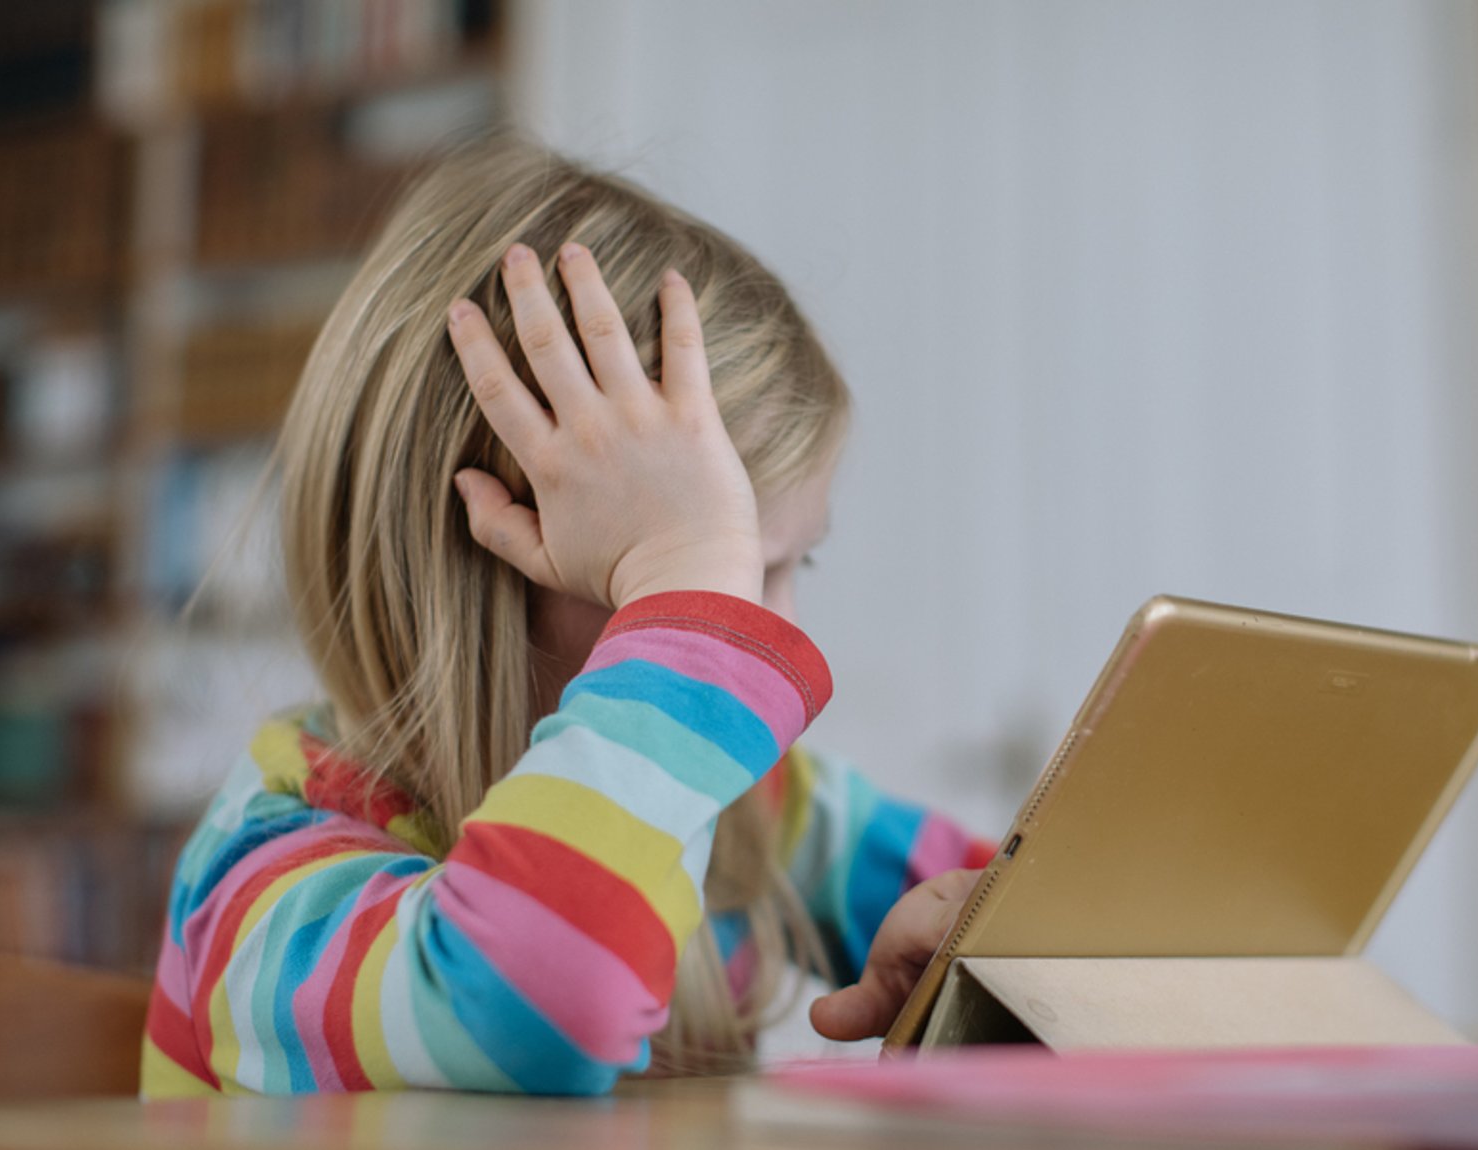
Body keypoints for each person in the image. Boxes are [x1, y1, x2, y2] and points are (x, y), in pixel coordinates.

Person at [140, 138, 996, 1098]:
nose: (766, 640)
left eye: (793, 565)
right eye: (723, 577)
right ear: (491, 560)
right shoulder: (267, 882)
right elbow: (537, 1007)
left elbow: (1036, 909)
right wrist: (689, 595)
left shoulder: (749, 801)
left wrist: (985, 948)